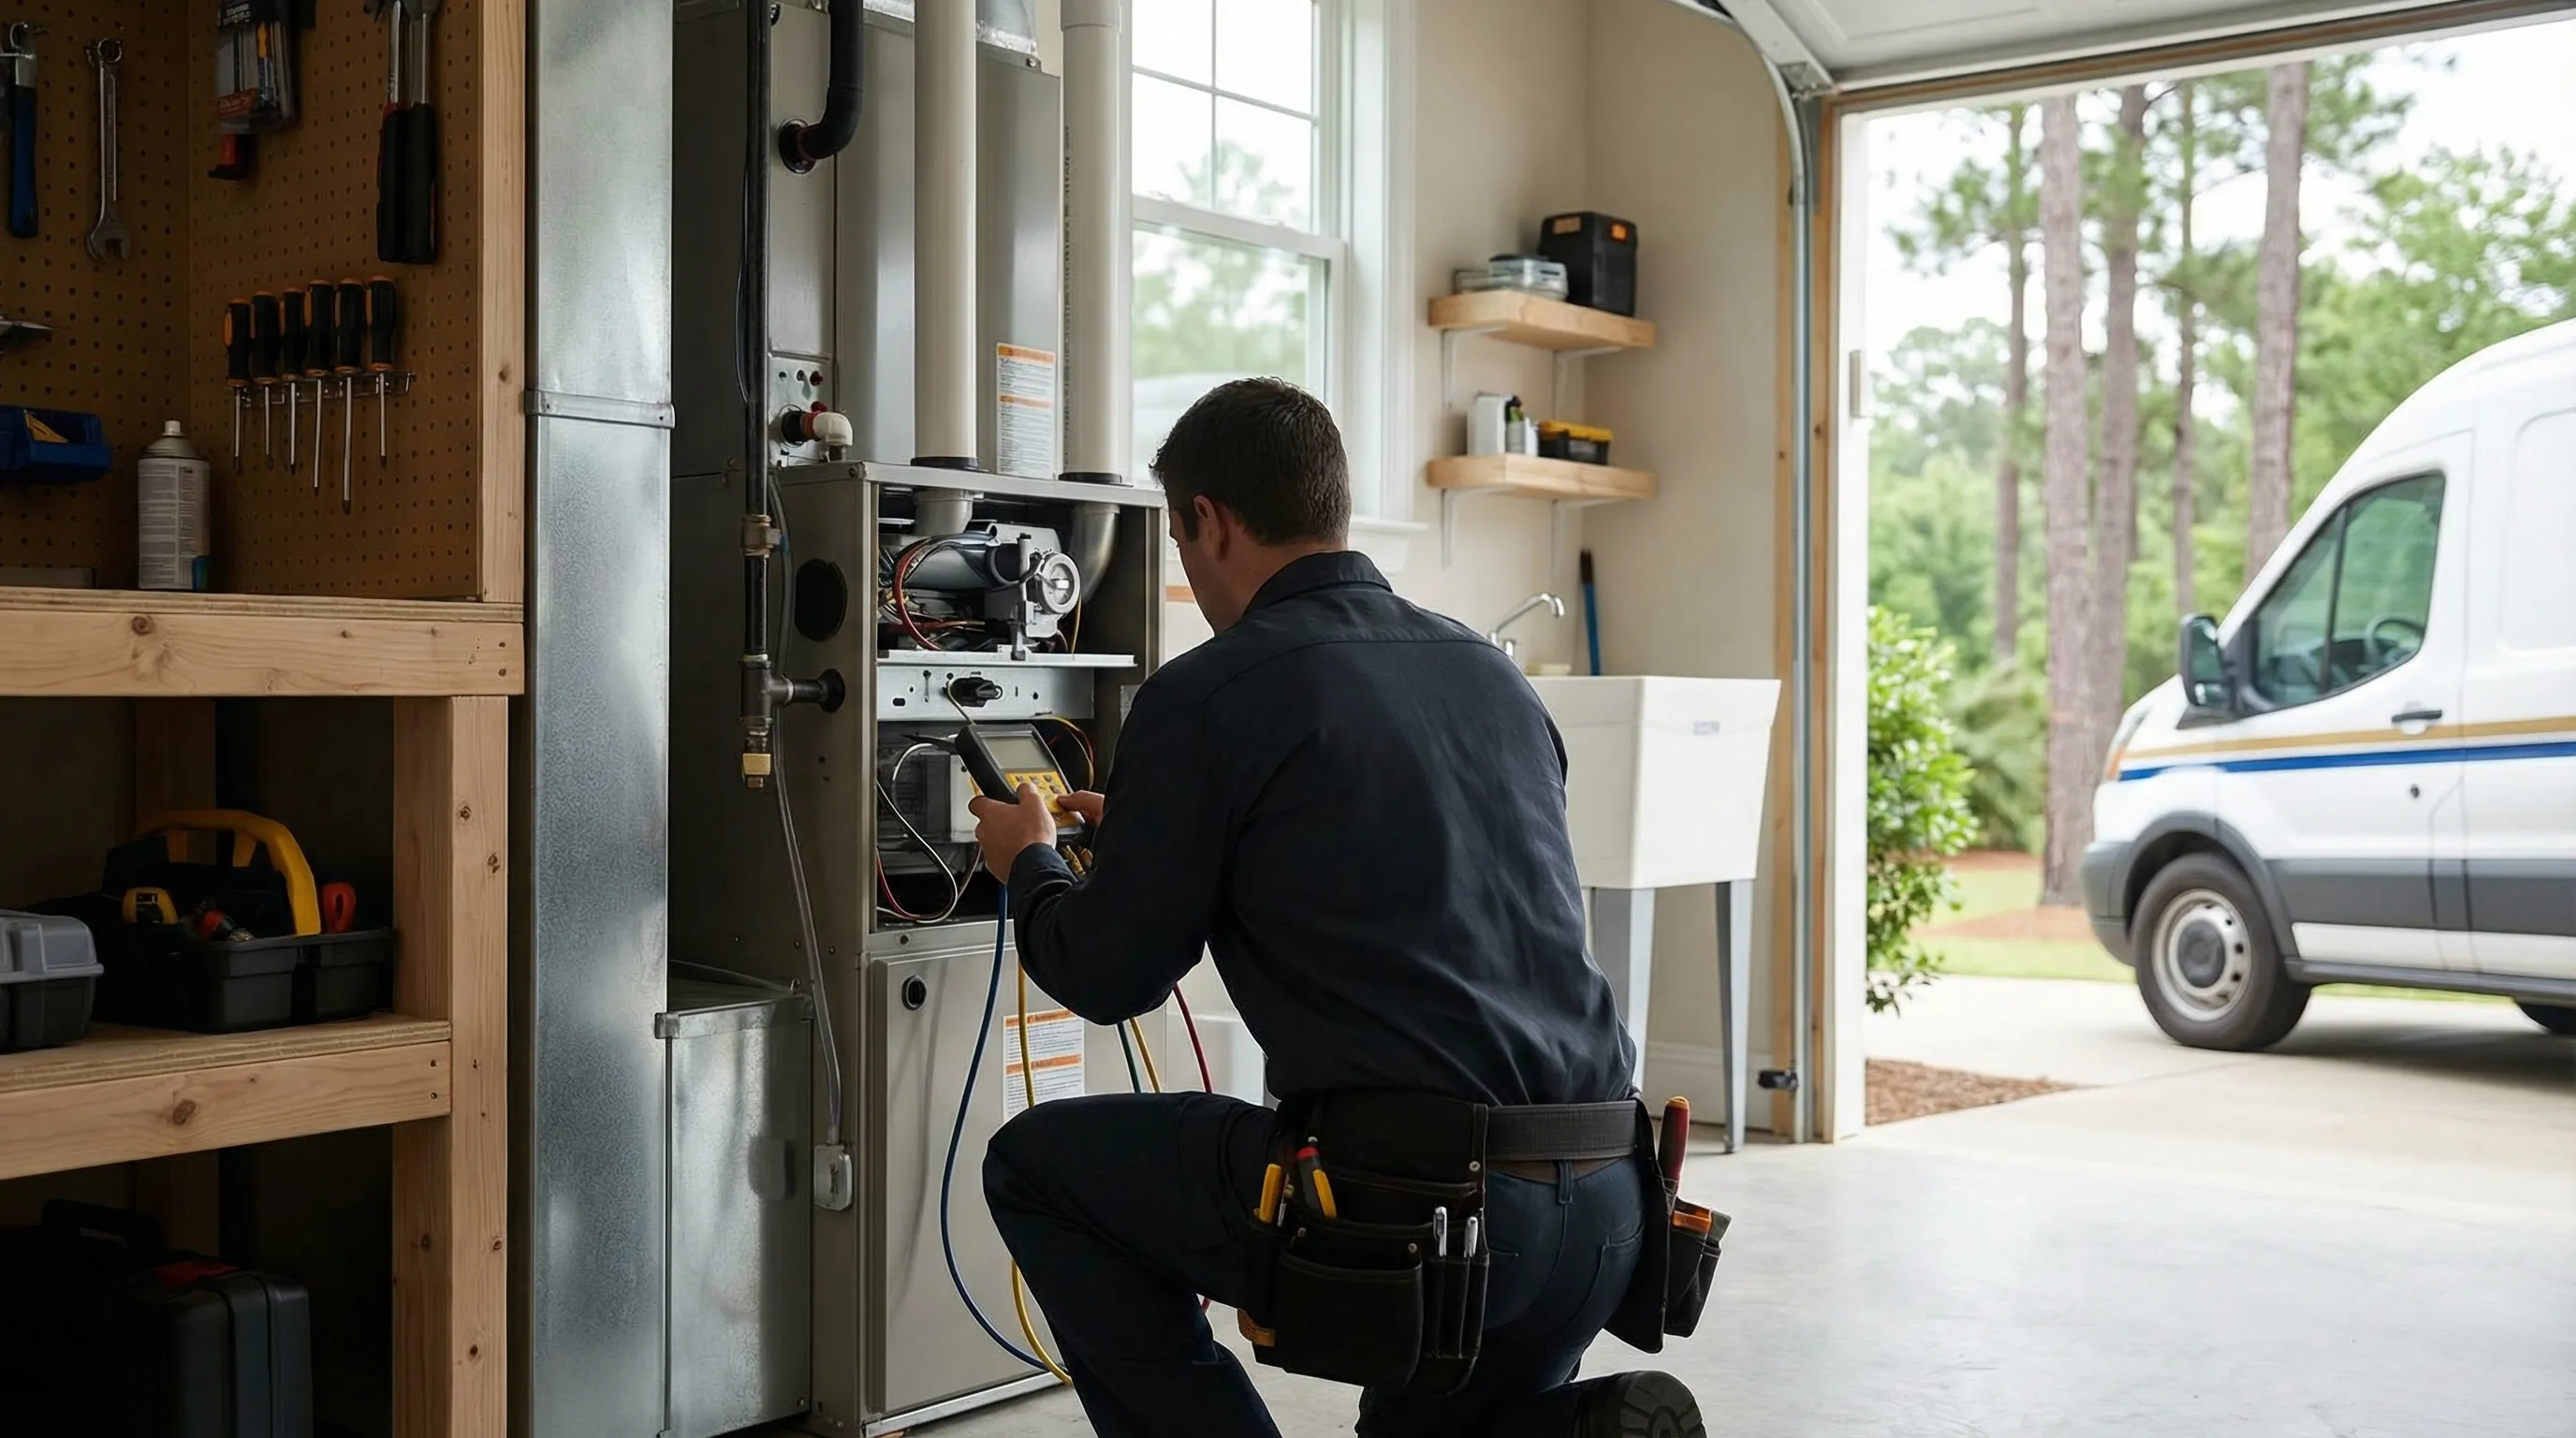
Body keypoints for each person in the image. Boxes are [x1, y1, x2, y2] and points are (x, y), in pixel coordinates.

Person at [970, 378, 1705, 1438]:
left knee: (1038, 1167)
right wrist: (1151, 826)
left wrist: (1028, 862)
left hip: (1415, 1214)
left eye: (1181, 542)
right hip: (1608, 1206)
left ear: (1207, 522)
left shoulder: (1208, 694)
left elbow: (1104, 976)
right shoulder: (1491, 676)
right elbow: (1383, 865)